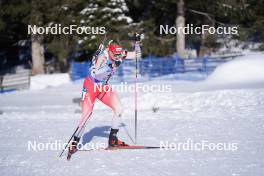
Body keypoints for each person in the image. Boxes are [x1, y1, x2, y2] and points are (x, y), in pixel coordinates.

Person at [68, 41, 128, 155]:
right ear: (109, 51)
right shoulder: (102, 57)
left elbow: (131, 54)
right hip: (91, 87)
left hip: (103, 88)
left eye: (118, 54)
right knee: (86, 116)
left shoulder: (118, 55)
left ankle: (112, 140)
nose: (117, 57)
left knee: (119, 109)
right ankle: (74, 144)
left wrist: (137, 44)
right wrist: (110, 67)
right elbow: (95, 73)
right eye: (115, 54)